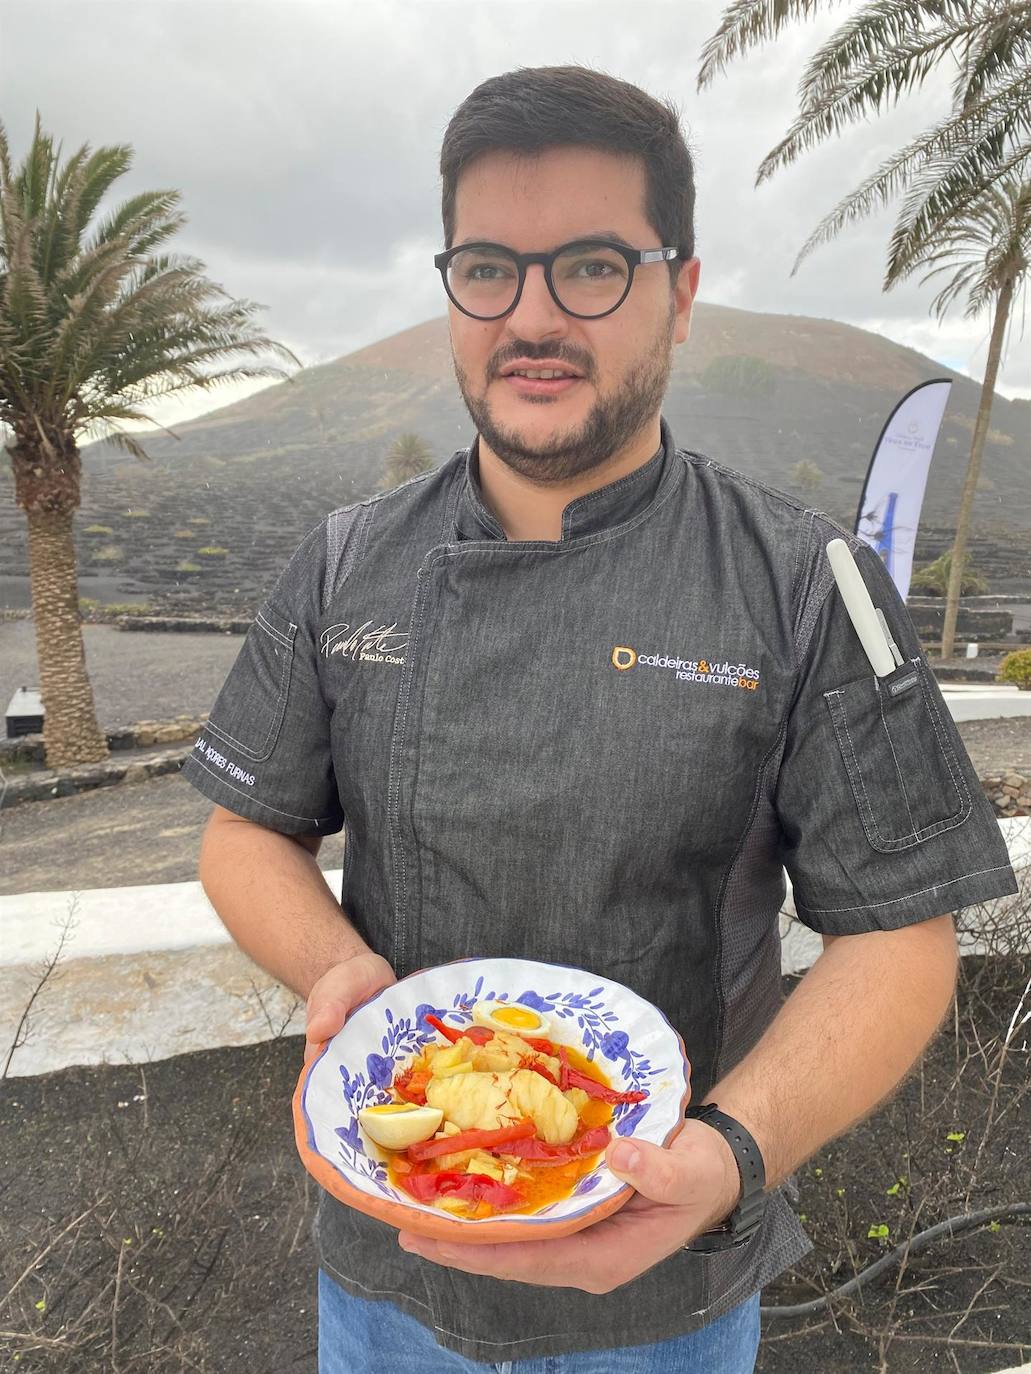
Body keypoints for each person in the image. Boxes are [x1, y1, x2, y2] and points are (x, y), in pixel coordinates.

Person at [182, 65, 1019, 1374]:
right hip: (386, 1280)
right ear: (449, 287)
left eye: (590, 267)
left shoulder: (805, 583)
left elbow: (902, 929)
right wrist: (333, 969)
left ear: (679, 293)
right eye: (488, 269)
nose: (532, 316)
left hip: (670, 1297)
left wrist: (733, 1152)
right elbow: (246, 836)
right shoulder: (342, 563)